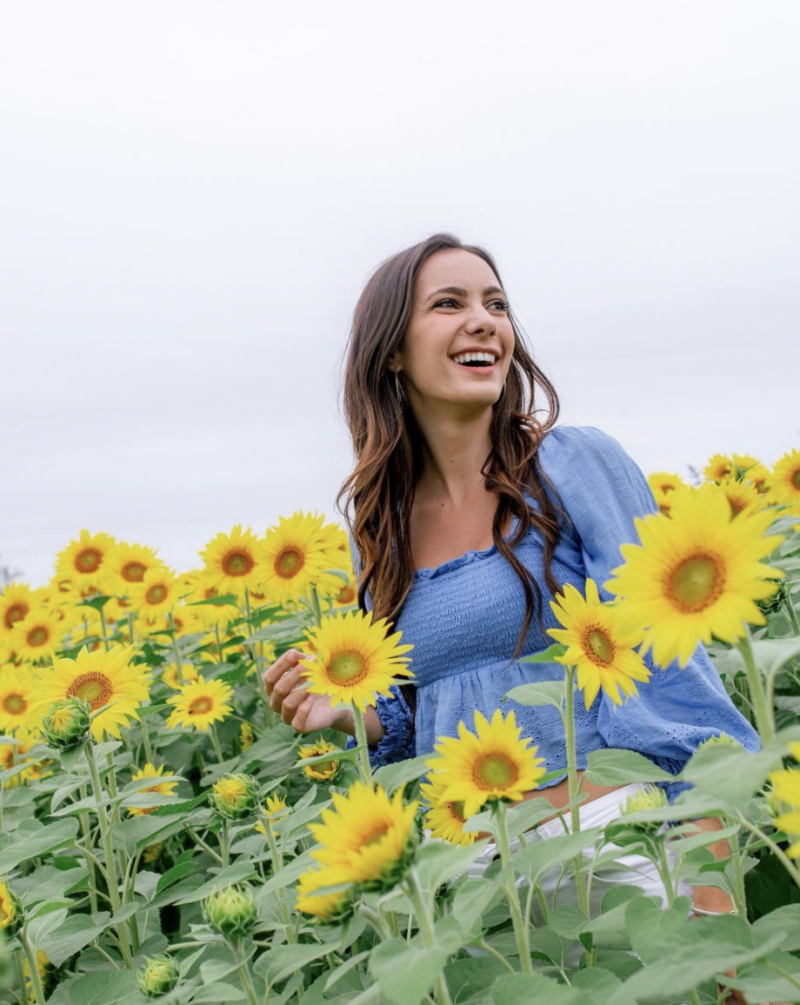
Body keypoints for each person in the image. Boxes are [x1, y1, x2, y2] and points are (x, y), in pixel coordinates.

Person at [263, 232, 760, 929]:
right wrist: (346, 710)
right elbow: (417, 707)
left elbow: (671, 670)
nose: (484, 319)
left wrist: (715, 886)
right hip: (474, 878)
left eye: (496, 303)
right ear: (394, 352)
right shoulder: (382, 530)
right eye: (448, 302)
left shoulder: (572, 464)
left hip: (616, 842)